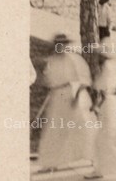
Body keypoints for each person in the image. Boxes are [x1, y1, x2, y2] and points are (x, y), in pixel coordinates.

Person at [36, 33, 94, 173]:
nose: (60, 46)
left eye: (63, 44)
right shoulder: (53, 60)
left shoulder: (74, 59)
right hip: (57, 96)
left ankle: (93, 156)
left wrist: (76, 98)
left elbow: (84, 81)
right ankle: (51, 162)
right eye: (57, 44)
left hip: (73, 94)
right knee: (55, 129)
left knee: (83, 127)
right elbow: (48, 81)